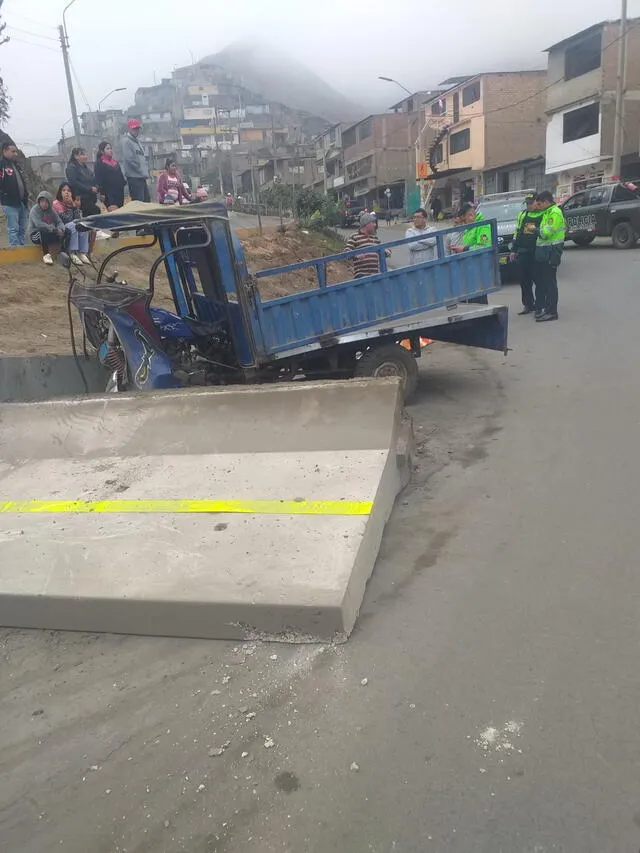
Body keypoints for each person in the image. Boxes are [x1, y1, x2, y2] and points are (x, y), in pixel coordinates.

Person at [531, 190, 566, 322]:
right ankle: (548, 309)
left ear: (546, 202)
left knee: (550, 283)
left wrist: (536, 230)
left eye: (540, 204)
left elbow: (546, 234)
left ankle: (552, 312)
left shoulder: (554, 213)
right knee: (546, 282)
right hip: (545, 253)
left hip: (552, 252)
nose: (538, 206)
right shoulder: (547, 212)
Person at [510, 192, 541, 315]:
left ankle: (539, 305)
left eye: (531, 203)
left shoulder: (542, 214)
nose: (528, 205)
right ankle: (528, 304)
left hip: (535, 252)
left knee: (538, 280)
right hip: (522, 252)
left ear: (536, 202)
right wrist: (513, 249)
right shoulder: (523, 214)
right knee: (524, 280)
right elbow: (517, 232)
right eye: (527, 203)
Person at [52, 182, 90, 266]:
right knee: (73, 225)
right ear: (60, 192)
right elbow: (65, 219)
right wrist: (70, 207)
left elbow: (78, 219)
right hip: (61, 227)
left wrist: (74, 205)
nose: (66, 192)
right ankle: (72, 253)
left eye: (69, 191)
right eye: (64, 190)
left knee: (83, 224)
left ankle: (82, 253)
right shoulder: (56, 204)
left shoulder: (72, 204)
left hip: (72, 225)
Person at [344, 211, 390, 278]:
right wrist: (356, 255)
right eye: (373, 223)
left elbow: (382, 250)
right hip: (361, 276)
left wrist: (386, 251)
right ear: (366, 224)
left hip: (375, 275)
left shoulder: (374, 238)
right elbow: (346, 252)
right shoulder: (354, 237)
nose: (375, 225)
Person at [0, 141, 29, 246]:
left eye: (16, 152)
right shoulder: (2, 164)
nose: (15, 154)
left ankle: (21, 249)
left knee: (22, 228)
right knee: (13, 229)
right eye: (13, 151)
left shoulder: (17, 165)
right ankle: (14, 250)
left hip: (22, 202)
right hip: (9, 203)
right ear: (5, 151)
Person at [27, 191, 64, 265]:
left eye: (46, 202)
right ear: (39, 201)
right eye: (42, 201)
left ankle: (63, 252)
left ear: (50, 203)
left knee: (67, 231)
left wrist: (61, 229)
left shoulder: (51, 210)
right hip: (35, 234)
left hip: (49, 233)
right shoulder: (34, 210)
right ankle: (46, 254)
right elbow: (39, 224)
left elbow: (59, 221)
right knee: (43, 229)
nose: (44, 204)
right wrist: (53, 229)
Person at [65, 148, 100, 217]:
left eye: (86, 154)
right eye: (83, 155)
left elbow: (92, 179)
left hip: (91, 197)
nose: (85, 156)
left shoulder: (85, 167)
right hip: (82, 198)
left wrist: (96, 187)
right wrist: (89, 189)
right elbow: (74, 183)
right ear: (76, 156)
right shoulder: (71, 168)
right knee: (95, 212)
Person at [123, 118, 150, 202]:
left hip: (141, 177)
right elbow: (129, 160)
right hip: (134, 178)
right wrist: (140, 170)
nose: (136, 130)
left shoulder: (137, 142)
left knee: (146, 201)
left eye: (137, 128)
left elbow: (142, 159)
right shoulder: (127, 142)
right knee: (139, 202)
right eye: (134, 129)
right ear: (129, 129)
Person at [94, 141, 126, 211]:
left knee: (121, 211)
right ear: (102, 151)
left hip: (119, 192)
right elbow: (99, 179)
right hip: (109, 194)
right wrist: (102, 193)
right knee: (114, 212)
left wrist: (123, 183)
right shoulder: (99, 163)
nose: (110, 150)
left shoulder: (115, 162)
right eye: (108, 149)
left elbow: (121, 176)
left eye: (111, 148)